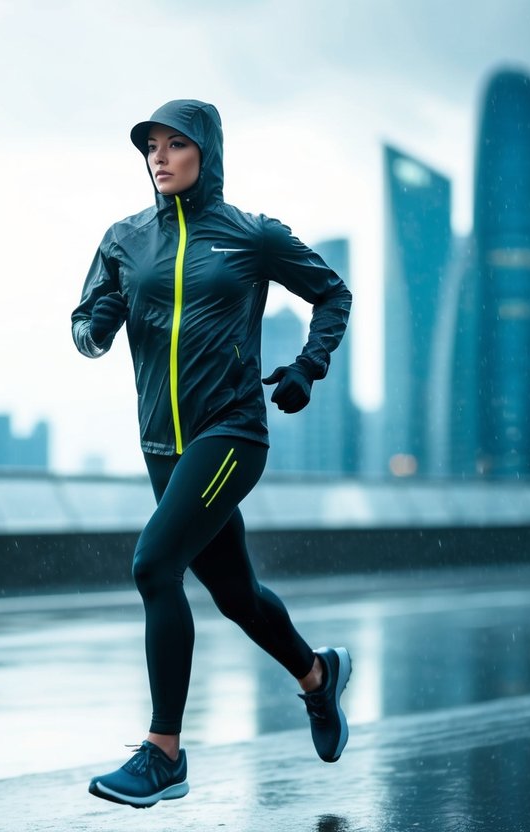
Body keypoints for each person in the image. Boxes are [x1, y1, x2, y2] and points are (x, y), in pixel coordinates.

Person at [71, 99, 353, 809]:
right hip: (160, 444)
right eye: (150, 147)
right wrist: (94, 326)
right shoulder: (123, 238)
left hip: (230, 432)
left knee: (153, 565)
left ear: (206, 153)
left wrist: (304, 368)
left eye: (174, 144)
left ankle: (163, 754)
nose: (159, 158)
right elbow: (86, 321)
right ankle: (316, 675)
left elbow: (332, 294)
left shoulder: (250, 235)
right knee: (235, 596)